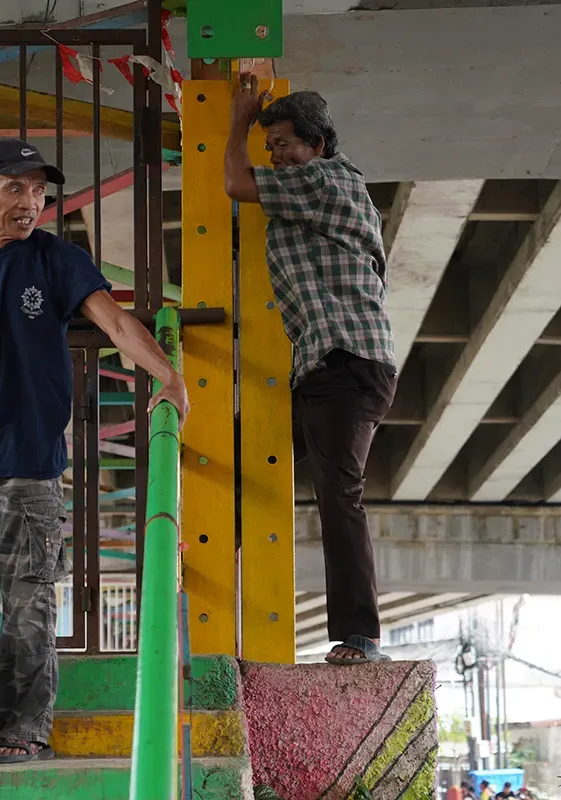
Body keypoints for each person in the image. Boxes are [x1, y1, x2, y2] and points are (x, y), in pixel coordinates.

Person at [0, 139, 189, 775]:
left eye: (40, 191)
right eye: (16, 189)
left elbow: (115, 325)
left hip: (29, 461)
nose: (32, 202)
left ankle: (26, 728)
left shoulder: (58, 261)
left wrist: (169, 376)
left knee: (27, 598)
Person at [224, 74, 397, 666]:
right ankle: (211, 589)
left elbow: (232, 183)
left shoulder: (321, 180)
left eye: (285, 144)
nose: (277, 156)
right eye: (270, 146)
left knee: (339, 496)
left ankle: (361, 636)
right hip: (332, 365)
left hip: (343, 362)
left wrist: (238, 122)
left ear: (319, 145)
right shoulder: (325, 183)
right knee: (243, 459)